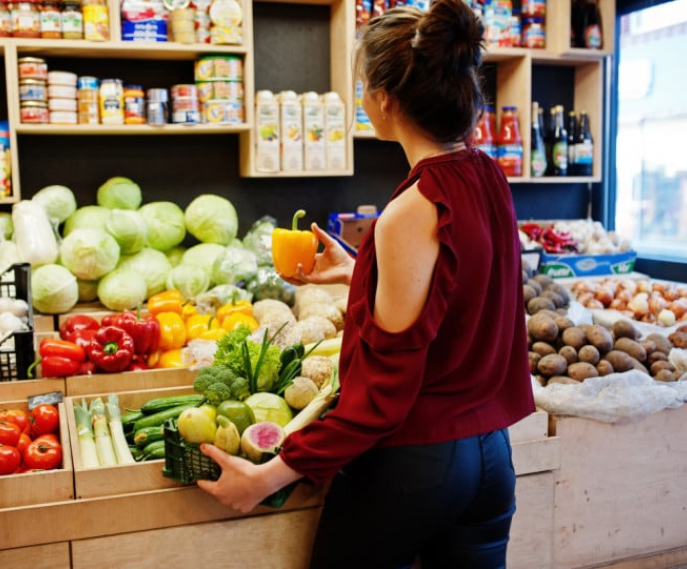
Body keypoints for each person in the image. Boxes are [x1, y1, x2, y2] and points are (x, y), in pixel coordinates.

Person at [197, 0, 536, 566]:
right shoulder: (487, 175)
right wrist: (362, 271)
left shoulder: (410, 210)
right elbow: (460, 297)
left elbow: (381, 396)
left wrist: (268, 476)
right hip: (492, 463)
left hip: (416, 471)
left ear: (385, 99)